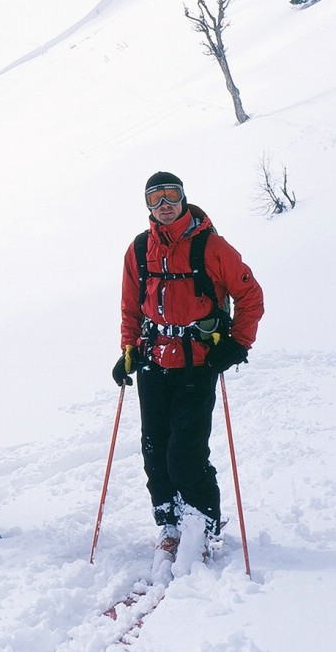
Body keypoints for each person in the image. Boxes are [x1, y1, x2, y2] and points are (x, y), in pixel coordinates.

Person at [112, 171, 264, 556]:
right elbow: (131, 306)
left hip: (197, 362)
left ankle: (203, 523)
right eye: (155, 198)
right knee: (154, 449)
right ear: (147, 205)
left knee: (186, 451)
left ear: (183, 197)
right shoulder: (138, 248)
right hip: (151, 360)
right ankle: (169, 523)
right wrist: (128, 349)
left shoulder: (211, 246)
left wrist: (237, 343)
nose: (164, 205)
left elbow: (251, 296)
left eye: (171, 196)